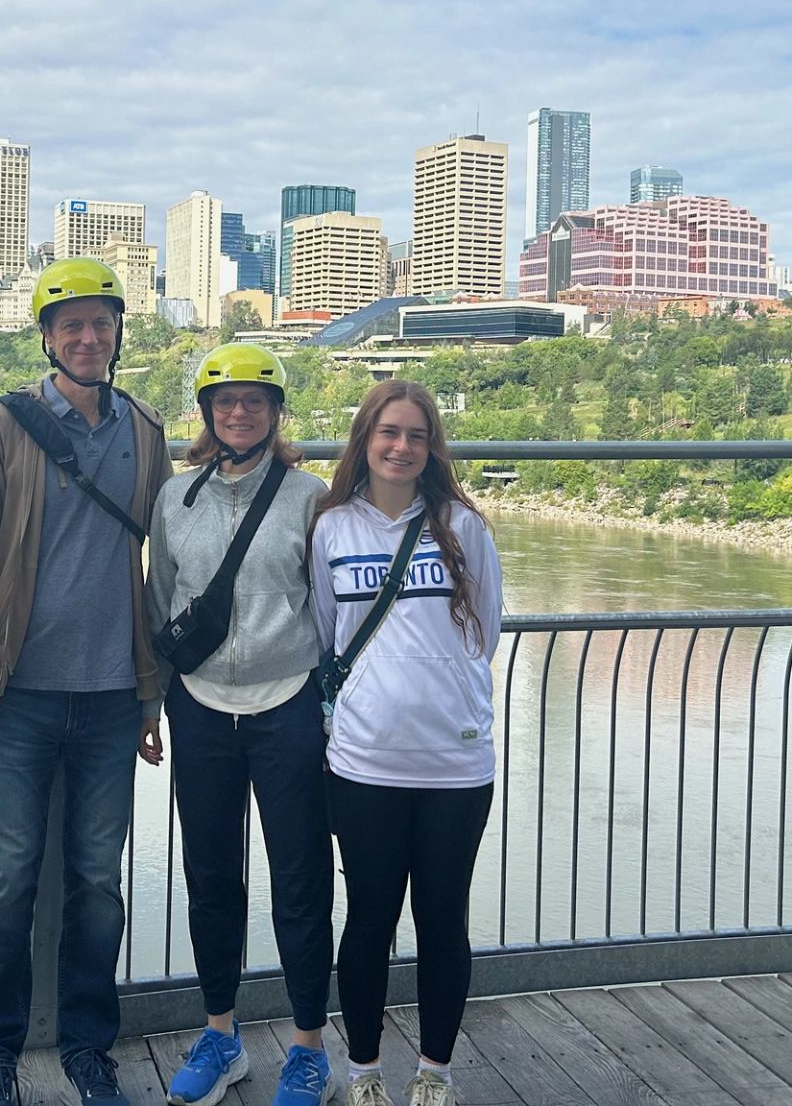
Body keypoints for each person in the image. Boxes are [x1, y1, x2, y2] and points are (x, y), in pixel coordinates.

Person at [0, 257, 174, 1106]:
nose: (88, 337)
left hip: (115, 694)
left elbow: (170, 549)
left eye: (102, 323)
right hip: (21, 692)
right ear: (46, 337)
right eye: (71, 324)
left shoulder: (145, 429)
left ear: (119, 334)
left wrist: (153, 694)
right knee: (7, 877)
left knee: (96, 881)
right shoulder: (5, 424)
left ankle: (89, 1048)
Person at [145, 344, 336, 1106]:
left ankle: (307, 1046)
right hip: (198, 708)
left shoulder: (310, 497)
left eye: (255, 400)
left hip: (285, 703)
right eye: (225, 401)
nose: (239, 411)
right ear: (206, 414)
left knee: (300, 879)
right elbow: (160, 604)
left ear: (276, 411)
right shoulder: (174, 497)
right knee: (211, 876)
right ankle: (220, 1033)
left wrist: (328, 710)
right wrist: (152, 704)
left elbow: (329, 613)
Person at [308, 380, 504, 1106]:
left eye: (416, 436)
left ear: (432, 448)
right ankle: (363, 1073)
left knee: (444, 918)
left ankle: (434, 1072)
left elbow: (485, 629)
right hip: (363, 760)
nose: (401, 447)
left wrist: (440, 690)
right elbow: (329, 633)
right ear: (364, 440)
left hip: (456, 760)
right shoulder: (332, 529)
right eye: (387, 432)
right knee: (367, 919)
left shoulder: (462, 526)